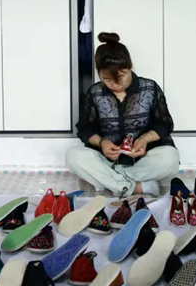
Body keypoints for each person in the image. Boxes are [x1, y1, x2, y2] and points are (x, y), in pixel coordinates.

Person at [66, 32, 179, 198]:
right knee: (73, 156)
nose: (115, 84)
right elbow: (84, 128)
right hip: (107, 160)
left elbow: (165, 123)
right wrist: (102, 143)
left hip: (143, 161)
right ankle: (134, 186)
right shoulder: (95, 92)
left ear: (130, 67)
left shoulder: (149, 88)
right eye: (107, 79)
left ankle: (112, 182)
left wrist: (145, 139)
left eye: (120, 77)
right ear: (99, 74)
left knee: (170, 158)